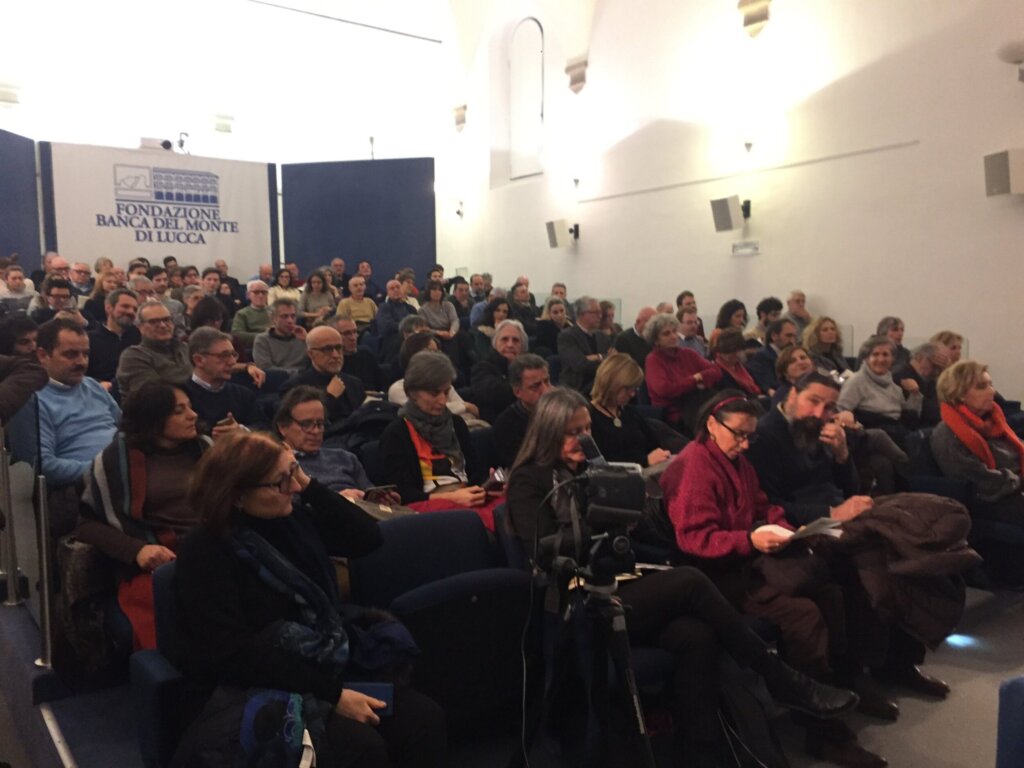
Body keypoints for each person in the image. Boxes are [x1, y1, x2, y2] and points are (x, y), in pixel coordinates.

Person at [506, 388, 857, 767]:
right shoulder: (529, 480)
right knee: (690, 579)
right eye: (574, 432)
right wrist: (604, 518)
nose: (585, 439)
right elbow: (543, 550)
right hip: (577, 598)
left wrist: (634, 514)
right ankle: (779, 678)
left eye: (588, 428)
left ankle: (702, 752)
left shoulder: (592, 471)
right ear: (549, 432)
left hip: (620, 579)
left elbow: (641, 537)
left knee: (696, 635)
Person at [173, 432, 446, 768]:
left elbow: (367, 537)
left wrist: (308, 483)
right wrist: (333, 695)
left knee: (424, 719)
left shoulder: (290, 517)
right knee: (361, 747)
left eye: (292, 473)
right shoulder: (206, 550)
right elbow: (231, 653)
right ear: (237, 496)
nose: (293, 487)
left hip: (323, 658)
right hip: (257, 682)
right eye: (279, 482)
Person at [665, 391, 888, 767]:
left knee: (832, 595)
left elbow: (762, 505)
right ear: (712, 425)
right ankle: (821, 731)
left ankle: (840, 691)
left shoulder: (735, 461)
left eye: (750, 435)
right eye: (738, 434)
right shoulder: (694, 467)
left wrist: (783, 527)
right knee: (804, 616)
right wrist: (748, 539)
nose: (745, 444)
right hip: (718, 578)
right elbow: (695, 539)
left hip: (748, 562)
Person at [76, 382, 208, 649]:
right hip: (161, 557)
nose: (192, 415)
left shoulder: (206, 449)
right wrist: (137, 549)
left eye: (190, 407)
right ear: (153, 420)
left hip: (213, 546)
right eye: (179, 411)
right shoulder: (116, 460)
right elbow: (86, 525)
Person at [8, 318, 120, 487]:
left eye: (85, 354)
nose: (82, 362)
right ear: (43, 355)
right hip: (80, 487)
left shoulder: (92, 386)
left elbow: (128, 428)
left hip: (122, 471)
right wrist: (103, 470)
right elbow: (43, 467)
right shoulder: (30, 399)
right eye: (71, 354)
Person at [379, 352, 493, 516]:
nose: (442, 401)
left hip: (466, 498)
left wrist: (486, 487)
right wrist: (452, 498)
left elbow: (474, 474)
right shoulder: (397, 433)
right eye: (434, 393)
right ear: (412, 393)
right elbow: (403, 495)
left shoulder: (457, 424)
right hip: (427, 509)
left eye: (446, 392)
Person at [931, 361, 1024, 534]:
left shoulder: (993, 422)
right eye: (982, 386)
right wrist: (1019, 482)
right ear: (959, 394)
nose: (992, 391)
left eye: (991, 384)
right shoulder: (947, 433)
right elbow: (978, 480)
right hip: (994, 499)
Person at [274, 386, 393, 501]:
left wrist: (383, 499)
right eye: (306, 424)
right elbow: (290, 508)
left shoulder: (345, 458)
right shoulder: (279, 465)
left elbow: (370, 495)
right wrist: (337, 500)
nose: (315, 431)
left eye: (320, 424)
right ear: (283, 427)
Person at [589, 354, 672, 467]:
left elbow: (655, 444)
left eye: (635, 388)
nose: (632, 394)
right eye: (628, 388)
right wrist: (645, 461)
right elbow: (602, 462)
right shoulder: (589, 417)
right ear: (611, 384)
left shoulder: (629, 412)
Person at [644, 313, 722, 432]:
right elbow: (664, 389)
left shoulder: (688, 354)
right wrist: (694, 380)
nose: (673, 336)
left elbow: (716, 371)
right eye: (666, 334)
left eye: (674, 331)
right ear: (656, 340)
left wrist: (699, 377)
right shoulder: (653, 359)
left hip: (697, 407)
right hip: (672, 416)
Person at [838, 335, 922, 445]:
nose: (881, 359)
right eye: (875, 354)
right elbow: (841, 410)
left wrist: (915, 394)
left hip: (897, 432)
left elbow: (909, 416)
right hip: (872, 437)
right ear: (867, 358)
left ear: (893, 359)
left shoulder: (895, 387)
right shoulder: (856, 382)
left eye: (885, 354)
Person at [388, 332, 483, 426]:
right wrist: (464, 406)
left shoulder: (443, 384)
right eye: (430, 352)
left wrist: (463, 409)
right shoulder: (398, 388)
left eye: (437, 352)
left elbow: (469, 414)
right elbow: (423, 413)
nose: (442, 401)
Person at [183, 328, 264, 434]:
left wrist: (242, 431)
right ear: (199, 360)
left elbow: (265, 428)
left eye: (233, 355)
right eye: (224, 356)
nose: (232, 362)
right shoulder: (182, 397)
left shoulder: (243, 394)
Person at [281, 326, 366, 424]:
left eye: (339, 348)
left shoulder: (354, 383)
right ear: (311, 354)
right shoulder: (295, 387)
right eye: (327, 349)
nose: (335, 355)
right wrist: (330, 396)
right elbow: (307, 425)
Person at [116, 302, 193, 398]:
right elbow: (153, 395)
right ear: (141, 327)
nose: (163, 325)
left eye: (167, 320)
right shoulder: (133, 356)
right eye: (154, 322)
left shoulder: (185, 348)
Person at [491, 354, 552, 467]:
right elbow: (523, 467)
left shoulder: (564, 410)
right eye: (535, 386)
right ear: (517, 392)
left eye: (547, 381)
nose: (546, 390)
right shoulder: (506, 426)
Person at [470, 319, 526, 423]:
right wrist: (528, 387)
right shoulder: (482, 367)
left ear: (522, 346)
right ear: (495, 343)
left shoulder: (529, 366)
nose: (510, 344)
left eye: (516, 340)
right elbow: (492, 394)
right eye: (504, 339)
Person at [86, 288, 140, 387]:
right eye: (125, 306)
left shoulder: (139, 337)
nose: (131, 312)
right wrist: (99, 384)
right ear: (108, 307)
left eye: (134, 309)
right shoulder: (89, 339)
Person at [557, 296, 612, 395]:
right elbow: (580, 365)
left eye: (600, 312)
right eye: (595, 312)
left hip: (601, 386)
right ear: (582, 314)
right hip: (576, 387)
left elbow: (612, 360)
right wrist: (603, 361)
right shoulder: (567, 336)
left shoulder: (602, 336)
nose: (600, 316)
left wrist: (597, 357)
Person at [892, 342, 946, 427]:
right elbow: (927, 412)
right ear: (919, 357)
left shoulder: (929, 379)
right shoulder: (901, 376)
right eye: (933, 363)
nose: (936, 368)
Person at [253, 299, 308, 374]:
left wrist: (307, 339)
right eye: (284, 316)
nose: (290, 321)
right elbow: (265, 369)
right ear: (273, 319)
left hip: (305, 378)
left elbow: (318, 363)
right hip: (278, 378)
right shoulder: (263, 340)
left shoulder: (302, 336)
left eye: (293, 316)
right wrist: (296, 372)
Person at [746, 318, 798, 395]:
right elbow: (772, 385)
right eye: (788, 336)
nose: (792, 341)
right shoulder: (762, 357)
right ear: (774, 336)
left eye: (794, 337)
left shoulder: (795, 355)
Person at [332, 317, 385, 391]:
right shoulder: (332, 362)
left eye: (355, 332)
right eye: (347, 333)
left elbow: (381, 383)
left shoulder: (366, 353)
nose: (353, 338)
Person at [711, 328, 761, 398]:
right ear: (721, 351)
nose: (736, 354)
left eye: (737, 351)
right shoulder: (717, 372)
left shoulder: (743, 368)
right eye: (729, 352)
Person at [230, 280, 273, 347]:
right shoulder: (242, 314)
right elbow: (237, 334)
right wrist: (263, 336)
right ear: (248, 295)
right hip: (253, 347)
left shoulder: (275, 311)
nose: (261, 295)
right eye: (256, 292)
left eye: (264, 292)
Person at [471, 297, 510, 362]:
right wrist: (497, 333)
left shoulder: (511, 329)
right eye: (497, 310)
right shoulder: (481, 330)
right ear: (491, 311)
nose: (501, 314)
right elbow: (486, 355)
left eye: (505, 312)